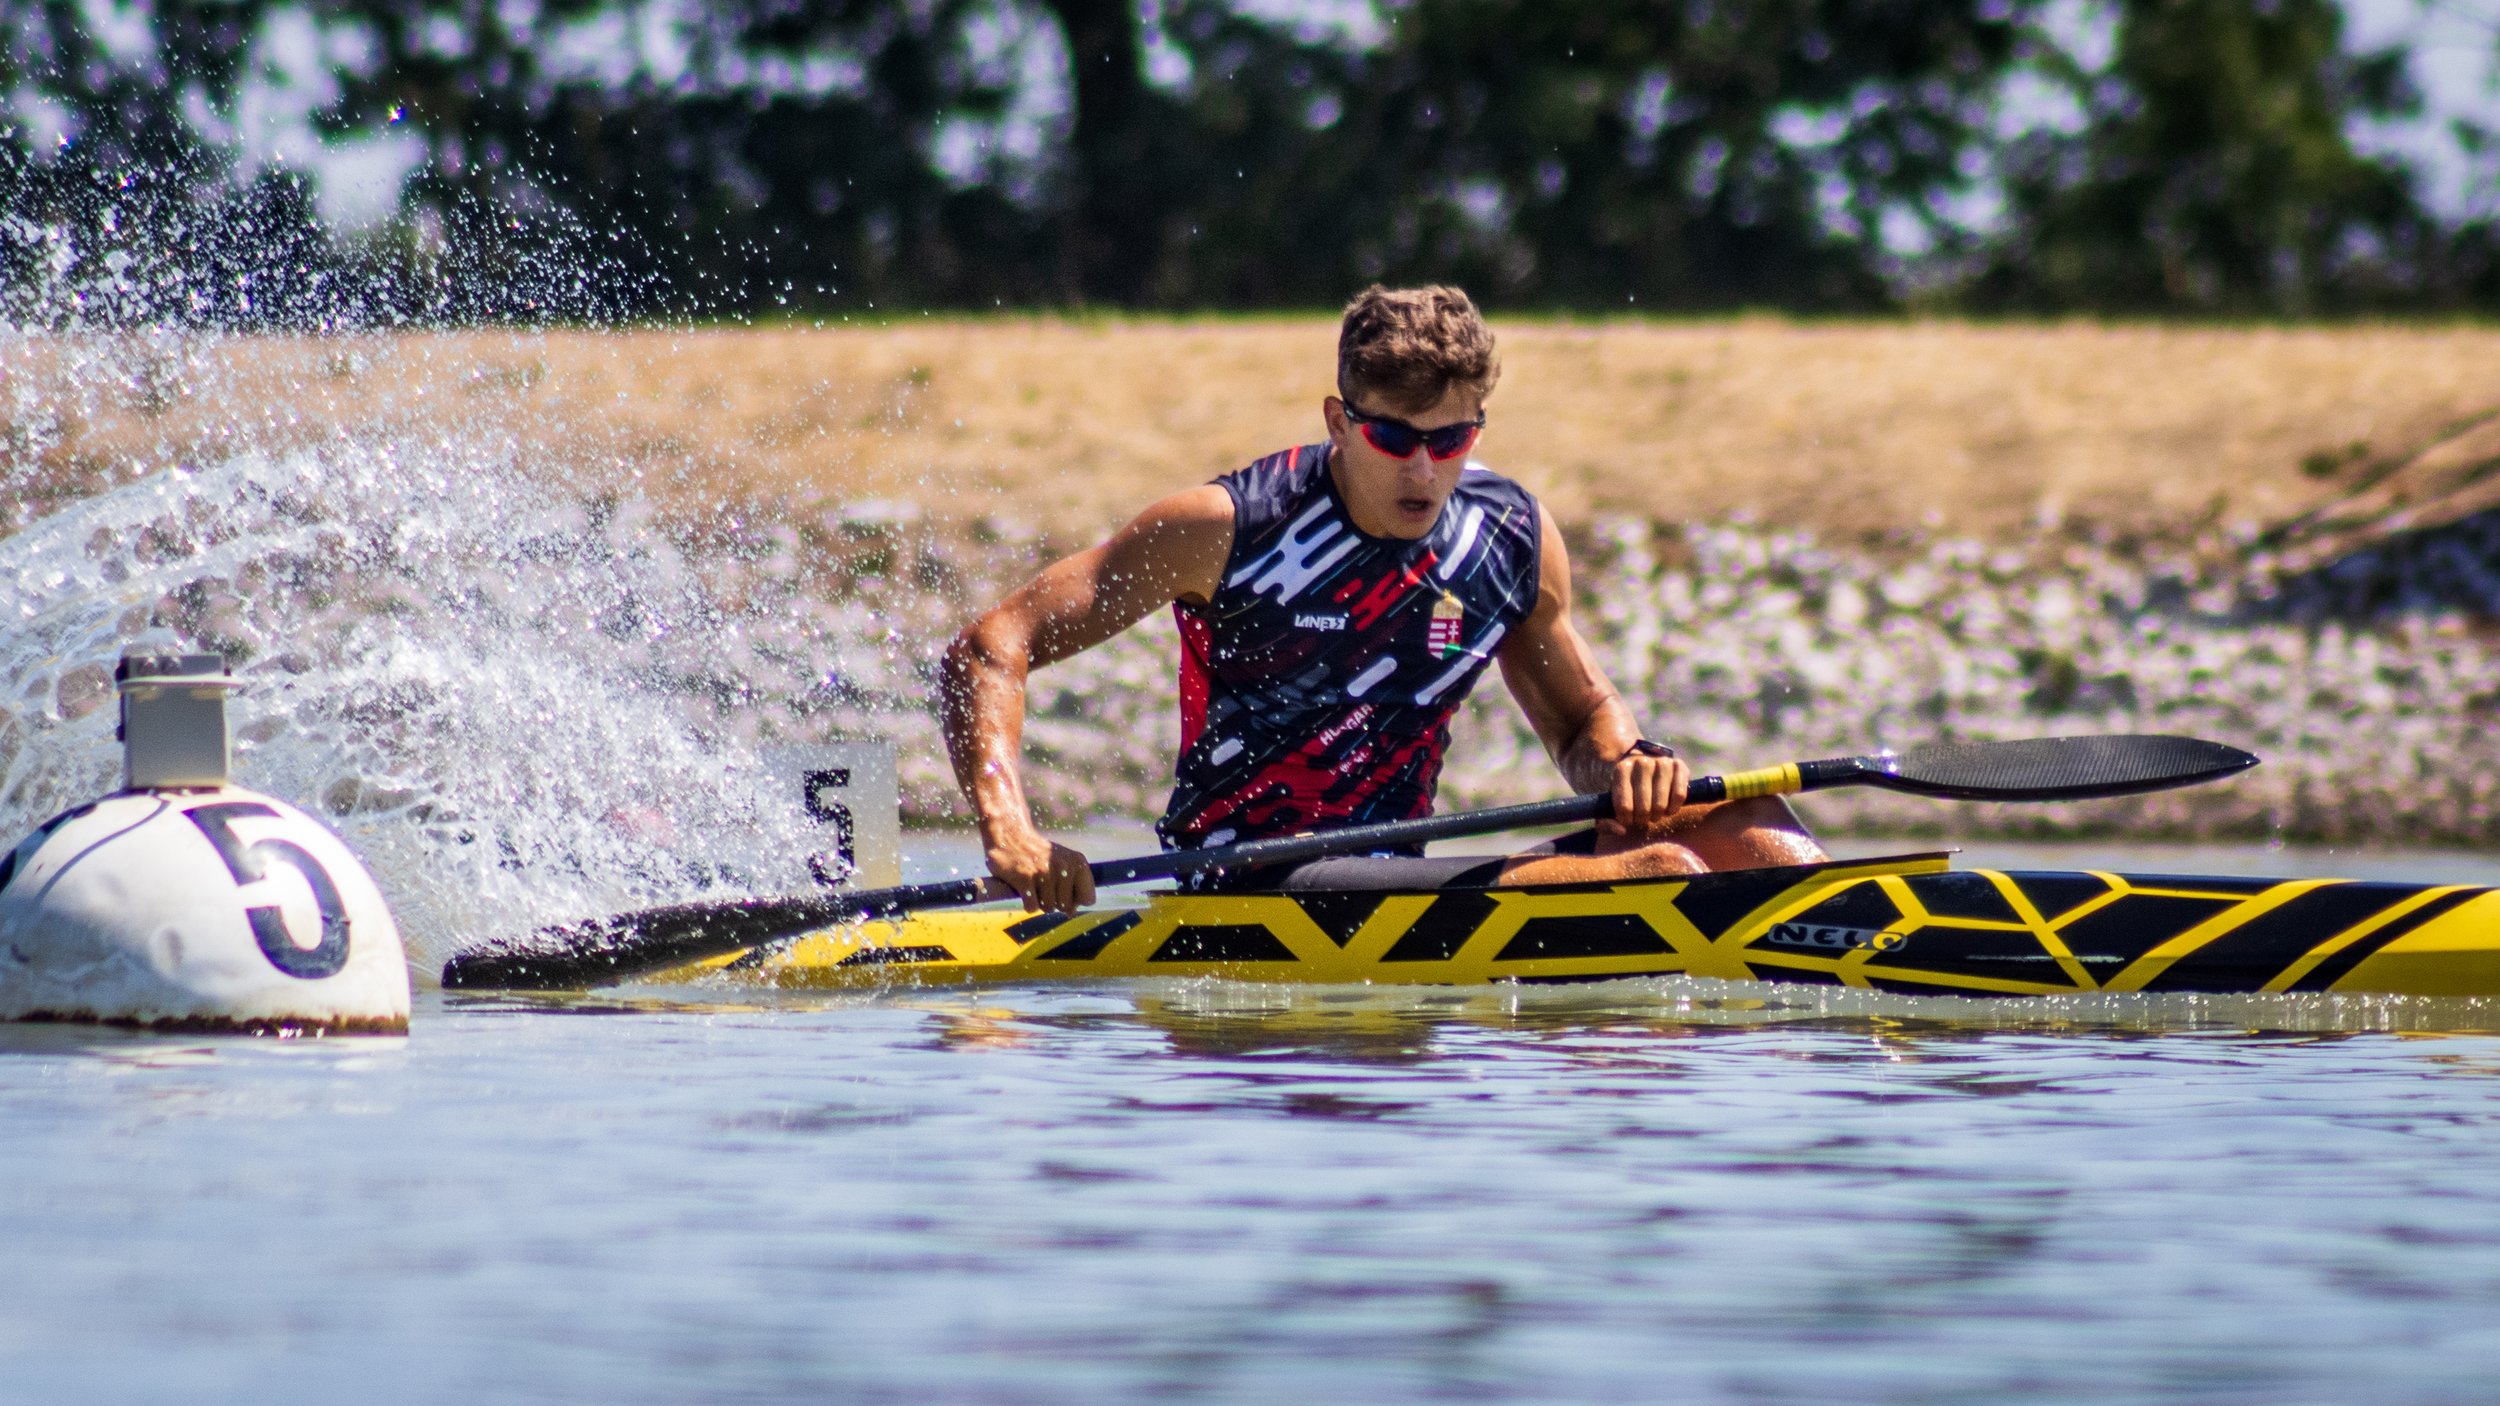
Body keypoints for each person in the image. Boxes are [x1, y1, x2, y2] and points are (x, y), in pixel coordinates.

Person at [940, 284, 1826, 913]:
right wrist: (1011, 830)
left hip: (1396, 877)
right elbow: (991, 645)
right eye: (1394, 437)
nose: (1423, 468)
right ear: (1338, 420)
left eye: (1452, 439)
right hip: (1247, 883)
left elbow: (1580, 722)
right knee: (1660, 870)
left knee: (1744, 826)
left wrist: (1632, 766)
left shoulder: (1509, 537)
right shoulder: (1225, 526)